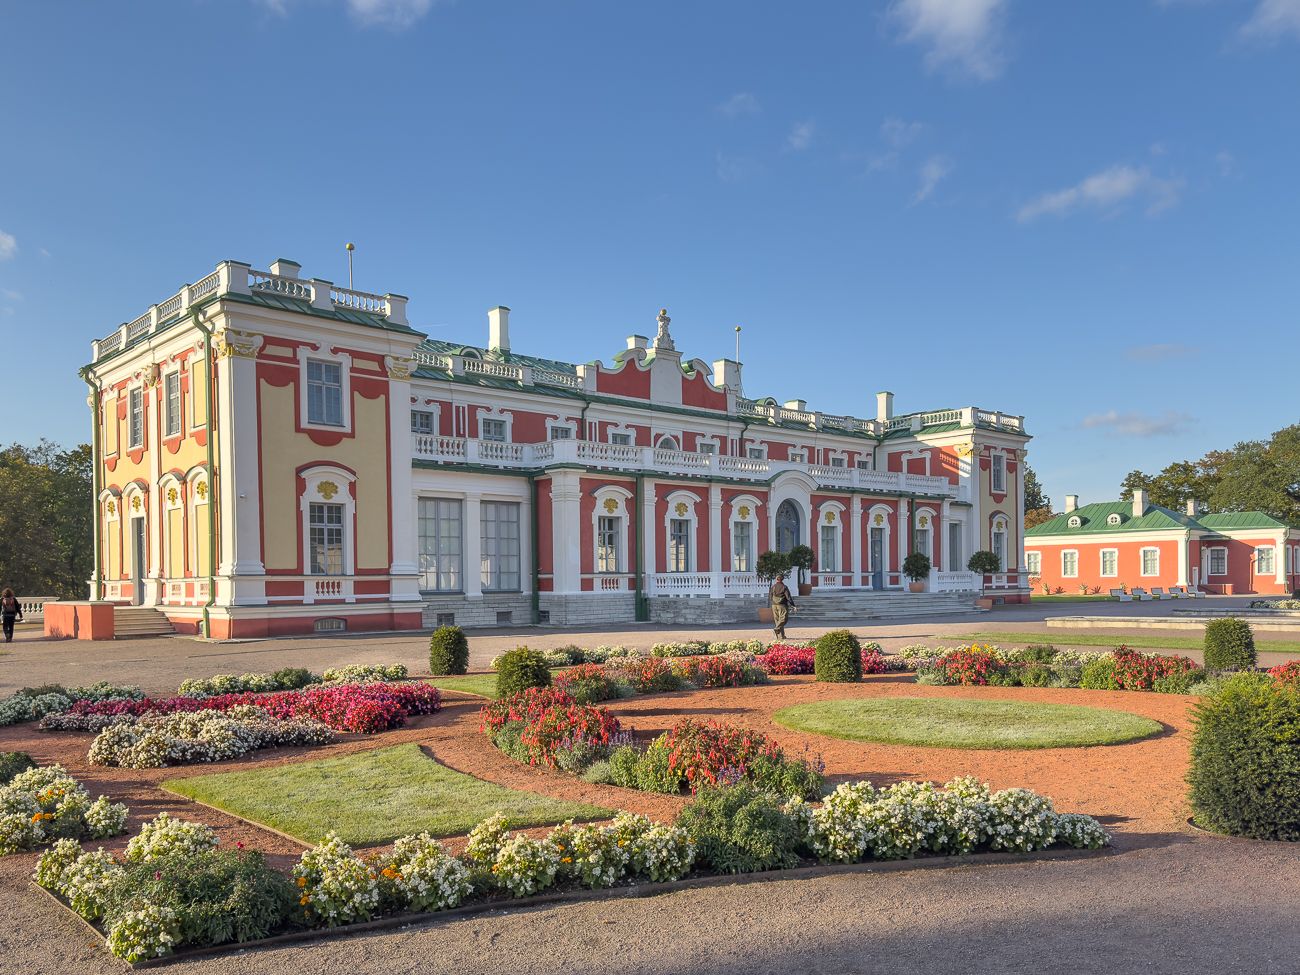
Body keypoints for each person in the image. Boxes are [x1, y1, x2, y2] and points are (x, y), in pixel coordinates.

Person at [769, 576, 796, 640]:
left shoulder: (773, 587)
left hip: (774, 605)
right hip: (782, 605)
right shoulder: (784, 587)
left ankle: (781, 636)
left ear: (776, 578)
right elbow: (788, 597)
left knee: (778, 620)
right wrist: (793, 605)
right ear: (783, 579)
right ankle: (776, 630)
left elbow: (770, 597)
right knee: (784, 619)